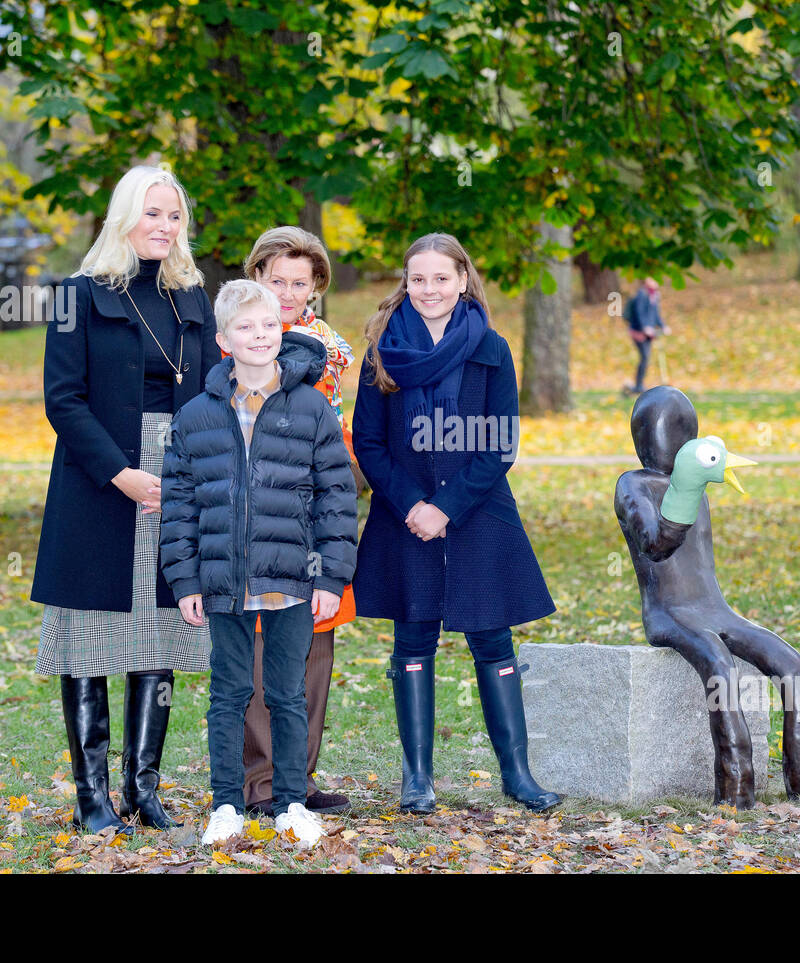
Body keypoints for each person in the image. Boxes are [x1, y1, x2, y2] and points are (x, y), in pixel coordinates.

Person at [31, 165, 220, 834]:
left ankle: (144, 789)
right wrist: (121, 472)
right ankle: (92, 798)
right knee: (89, 639)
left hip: (177, 476)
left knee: (159, 629)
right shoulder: (74, 294)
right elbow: (63, 399)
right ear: (123, 217)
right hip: (99, 481)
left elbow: (210, 390)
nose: (164, 226)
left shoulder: (192, 297)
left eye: (174, 216)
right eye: (152, 213)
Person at [351, 232, 562, 815]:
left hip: (477, 512)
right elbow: (368, 442)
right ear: (405, 281)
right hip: (404, 514)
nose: (429, 290)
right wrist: (415, 505)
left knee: (492, 638)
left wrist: (447, 507)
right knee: (413, 636)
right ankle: (417, 779)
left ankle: (518, 775)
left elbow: (499, 445)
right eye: (417, 279)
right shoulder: (383, 350)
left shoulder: (491, 348)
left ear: (463, 279)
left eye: (441, 278)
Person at [160, 279, 357, 848]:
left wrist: (330, 575)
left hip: (295, 578)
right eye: (245, 327)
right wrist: (186, 578)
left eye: (268, 326)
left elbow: (336, 499)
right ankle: (225, 803)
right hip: (224, 581)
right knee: (228, 693)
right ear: (224, 339)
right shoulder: (196, 415)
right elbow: (179, 504)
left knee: (287, 693)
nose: (259, 336)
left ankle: (292, 800)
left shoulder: (312, 407)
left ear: (283, 331)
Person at [237, 226, 357, 817]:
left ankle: (298, 781)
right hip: (261, 516)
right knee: (262, 649)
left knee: (314, 644)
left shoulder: (328, 348)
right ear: (255, 278)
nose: (287, 293)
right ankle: (258, 784)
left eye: (299, 283)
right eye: (276, 280)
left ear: (317, 287)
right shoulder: (239, 343)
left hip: (317, 510)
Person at [622, 277, 665, 395]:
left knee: (646, 358)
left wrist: (663, 326)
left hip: (648, 333)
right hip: (638, 332)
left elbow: (655, 314)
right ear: (646, 281)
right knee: (645, 357)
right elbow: (639, 313)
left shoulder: (654, 295)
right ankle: (638, 385)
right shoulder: (641, 295)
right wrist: (645, 327)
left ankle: (639, 384)